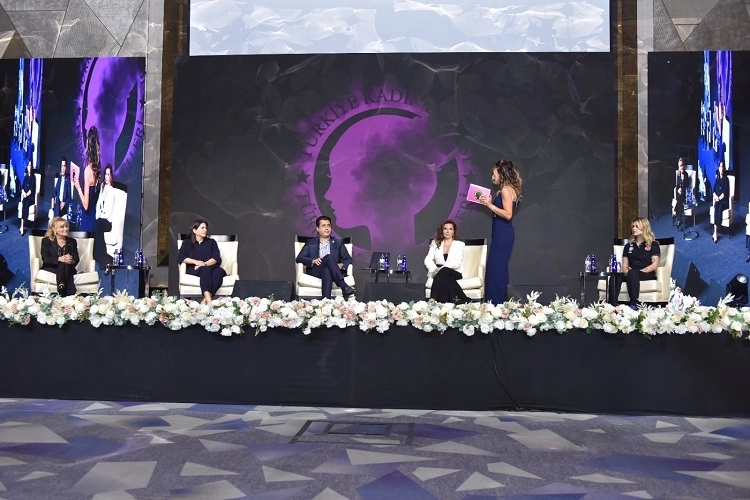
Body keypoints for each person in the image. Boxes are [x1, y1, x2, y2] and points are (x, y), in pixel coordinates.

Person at [479, 159, 522, 304]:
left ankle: (495, 304)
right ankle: (500, 303)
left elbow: (508, 215)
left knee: (495, 269)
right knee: (498, 269)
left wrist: (490, 205)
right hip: (501, 232)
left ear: (501, 174)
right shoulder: (508, 189)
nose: (493, 177)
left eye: (494, 174)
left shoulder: (505, 190)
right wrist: (491, 203)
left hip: (503, 233)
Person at [295, 215, 356, 299]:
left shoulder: (338, 242)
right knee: (329, 257)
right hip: (316, 271)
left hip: (333, 272)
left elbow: (348, 259)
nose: (327, 228)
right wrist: (313, 260)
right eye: (323, 226)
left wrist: (341, 265)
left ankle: (326, 301)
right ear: (317, 228)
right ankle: (343, 286)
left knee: (326, 269)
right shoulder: (311, 243)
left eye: (328, 225)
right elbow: (299, 258)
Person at [177, 220, 227, 304]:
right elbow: (181, 257)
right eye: (202, 228)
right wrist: (195, 262)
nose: (205, 230)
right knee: (205, 270)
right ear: (195, 230)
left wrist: (204, 264)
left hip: (211, 266)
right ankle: (209, 300)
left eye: (206, 228)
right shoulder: (187, 243)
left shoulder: (211, 242)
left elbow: (216, 258)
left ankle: (205, 300)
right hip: (194, 269)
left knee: (219, 271)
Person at [424, 220, 468, 303]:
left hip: (454, 272)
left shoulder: (459, 244)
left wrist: (442, 269)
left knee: (445, 270)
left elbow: (457, 263)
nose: (447, 231)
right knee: (447, 281)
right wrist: (435, 268)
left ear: (453, 231)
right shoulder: (435, 243)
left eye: (450, 229)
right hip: (438, 272)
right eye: (445, 229)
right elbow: (428, 259)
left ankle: (433, 298)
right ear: (442, 231)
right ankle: (463, 300)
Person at [621, 217, 660, 309]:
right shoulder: (628, 246)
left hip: (646, 273)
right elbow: (625, 266)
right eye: (633, 226)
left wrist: (637, 272)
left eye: (637, 226)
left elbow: (655, 265)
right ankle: (612, 304)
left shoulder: (653, 244)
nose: (634, 229)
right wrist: (627, 272)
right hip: (631, 273)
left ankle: (634, 303)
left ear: (644, 227)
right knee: (615, 277)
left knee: (633, 273)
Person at [41, 217, 79, 296]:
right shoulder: (46, 241)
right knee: (62, 262)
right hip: (52, 268)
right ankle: (71, 293)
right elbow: (45, 259)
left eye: (66, 226)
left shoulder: (72, 241)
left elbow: (76, 258)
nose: (65, 229)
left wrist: (71, 260)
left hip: (68, 267)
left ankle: (61, 286)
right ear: (54, 229)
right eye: (62, 227)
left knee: (65, 263)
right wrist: (59, 259)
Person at [74, 126, 101, 232]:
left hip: (87, 220)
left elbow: (85, 205)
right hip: (94, 219)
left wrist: (78, 187)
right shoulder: (98, 168)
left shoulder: (88, 170)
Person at [93, 164, 116, 268]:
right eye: (105, 174)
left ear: (111, 176)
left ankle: (99, 257)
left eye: (108, 174)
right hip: (101, 219)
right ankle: (102, 257)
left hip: (108, 222)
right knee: (97, 223)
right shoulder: (102, 187)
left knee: (99, 223)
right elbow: (98, 204)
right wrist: (97, 215)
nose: (106, 177)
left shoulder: (112, 190)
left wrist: (100, 216)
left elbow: (108, 211)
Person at [712, 161, 730, 243]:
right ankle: (715, 232)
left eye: (723, 167)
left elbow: (725, 192)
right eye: (720, 167)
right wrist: (716, 197)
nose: (721, 168)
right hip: (718, 200)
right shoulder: (717, 179)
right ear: (718, 168)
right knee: (716, 207)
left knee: (719, 208)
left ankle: (716, 229)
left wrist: (719, 198)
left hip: (724, 201)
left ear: (724, 168)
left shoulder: (726, 179)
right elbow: (714, 190)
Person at [19, 160, 36, 235]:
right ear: (27, 166)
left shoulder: (33, 177)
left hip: (31, 197)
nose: (30, 167)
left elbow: (32, 189)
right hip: (25, 196)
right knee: (24, 203)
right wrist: (23, 192)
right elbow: (22, 186)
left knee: (26, 203)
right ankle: (22, 225)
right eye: (29, 165)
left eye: (31, 165)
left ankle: (22, 225)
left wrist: (27, 194)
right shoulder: (25, 176)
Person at [673, 157, 689, 230]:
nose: (681, 167)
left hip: (685, 193)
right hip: (679, 194)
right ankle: (679, 220)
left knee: (679, 200)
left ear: (684, 166)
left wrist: (682, 190)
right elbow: (677, 186)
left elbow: (687, 186)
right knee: (680, 201)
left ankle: (675, 214)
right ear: (678, 167)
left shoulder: (686, 174)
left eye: (682, 165)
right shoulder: (678, 174)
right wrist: (678, 190)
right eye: (680, 166)